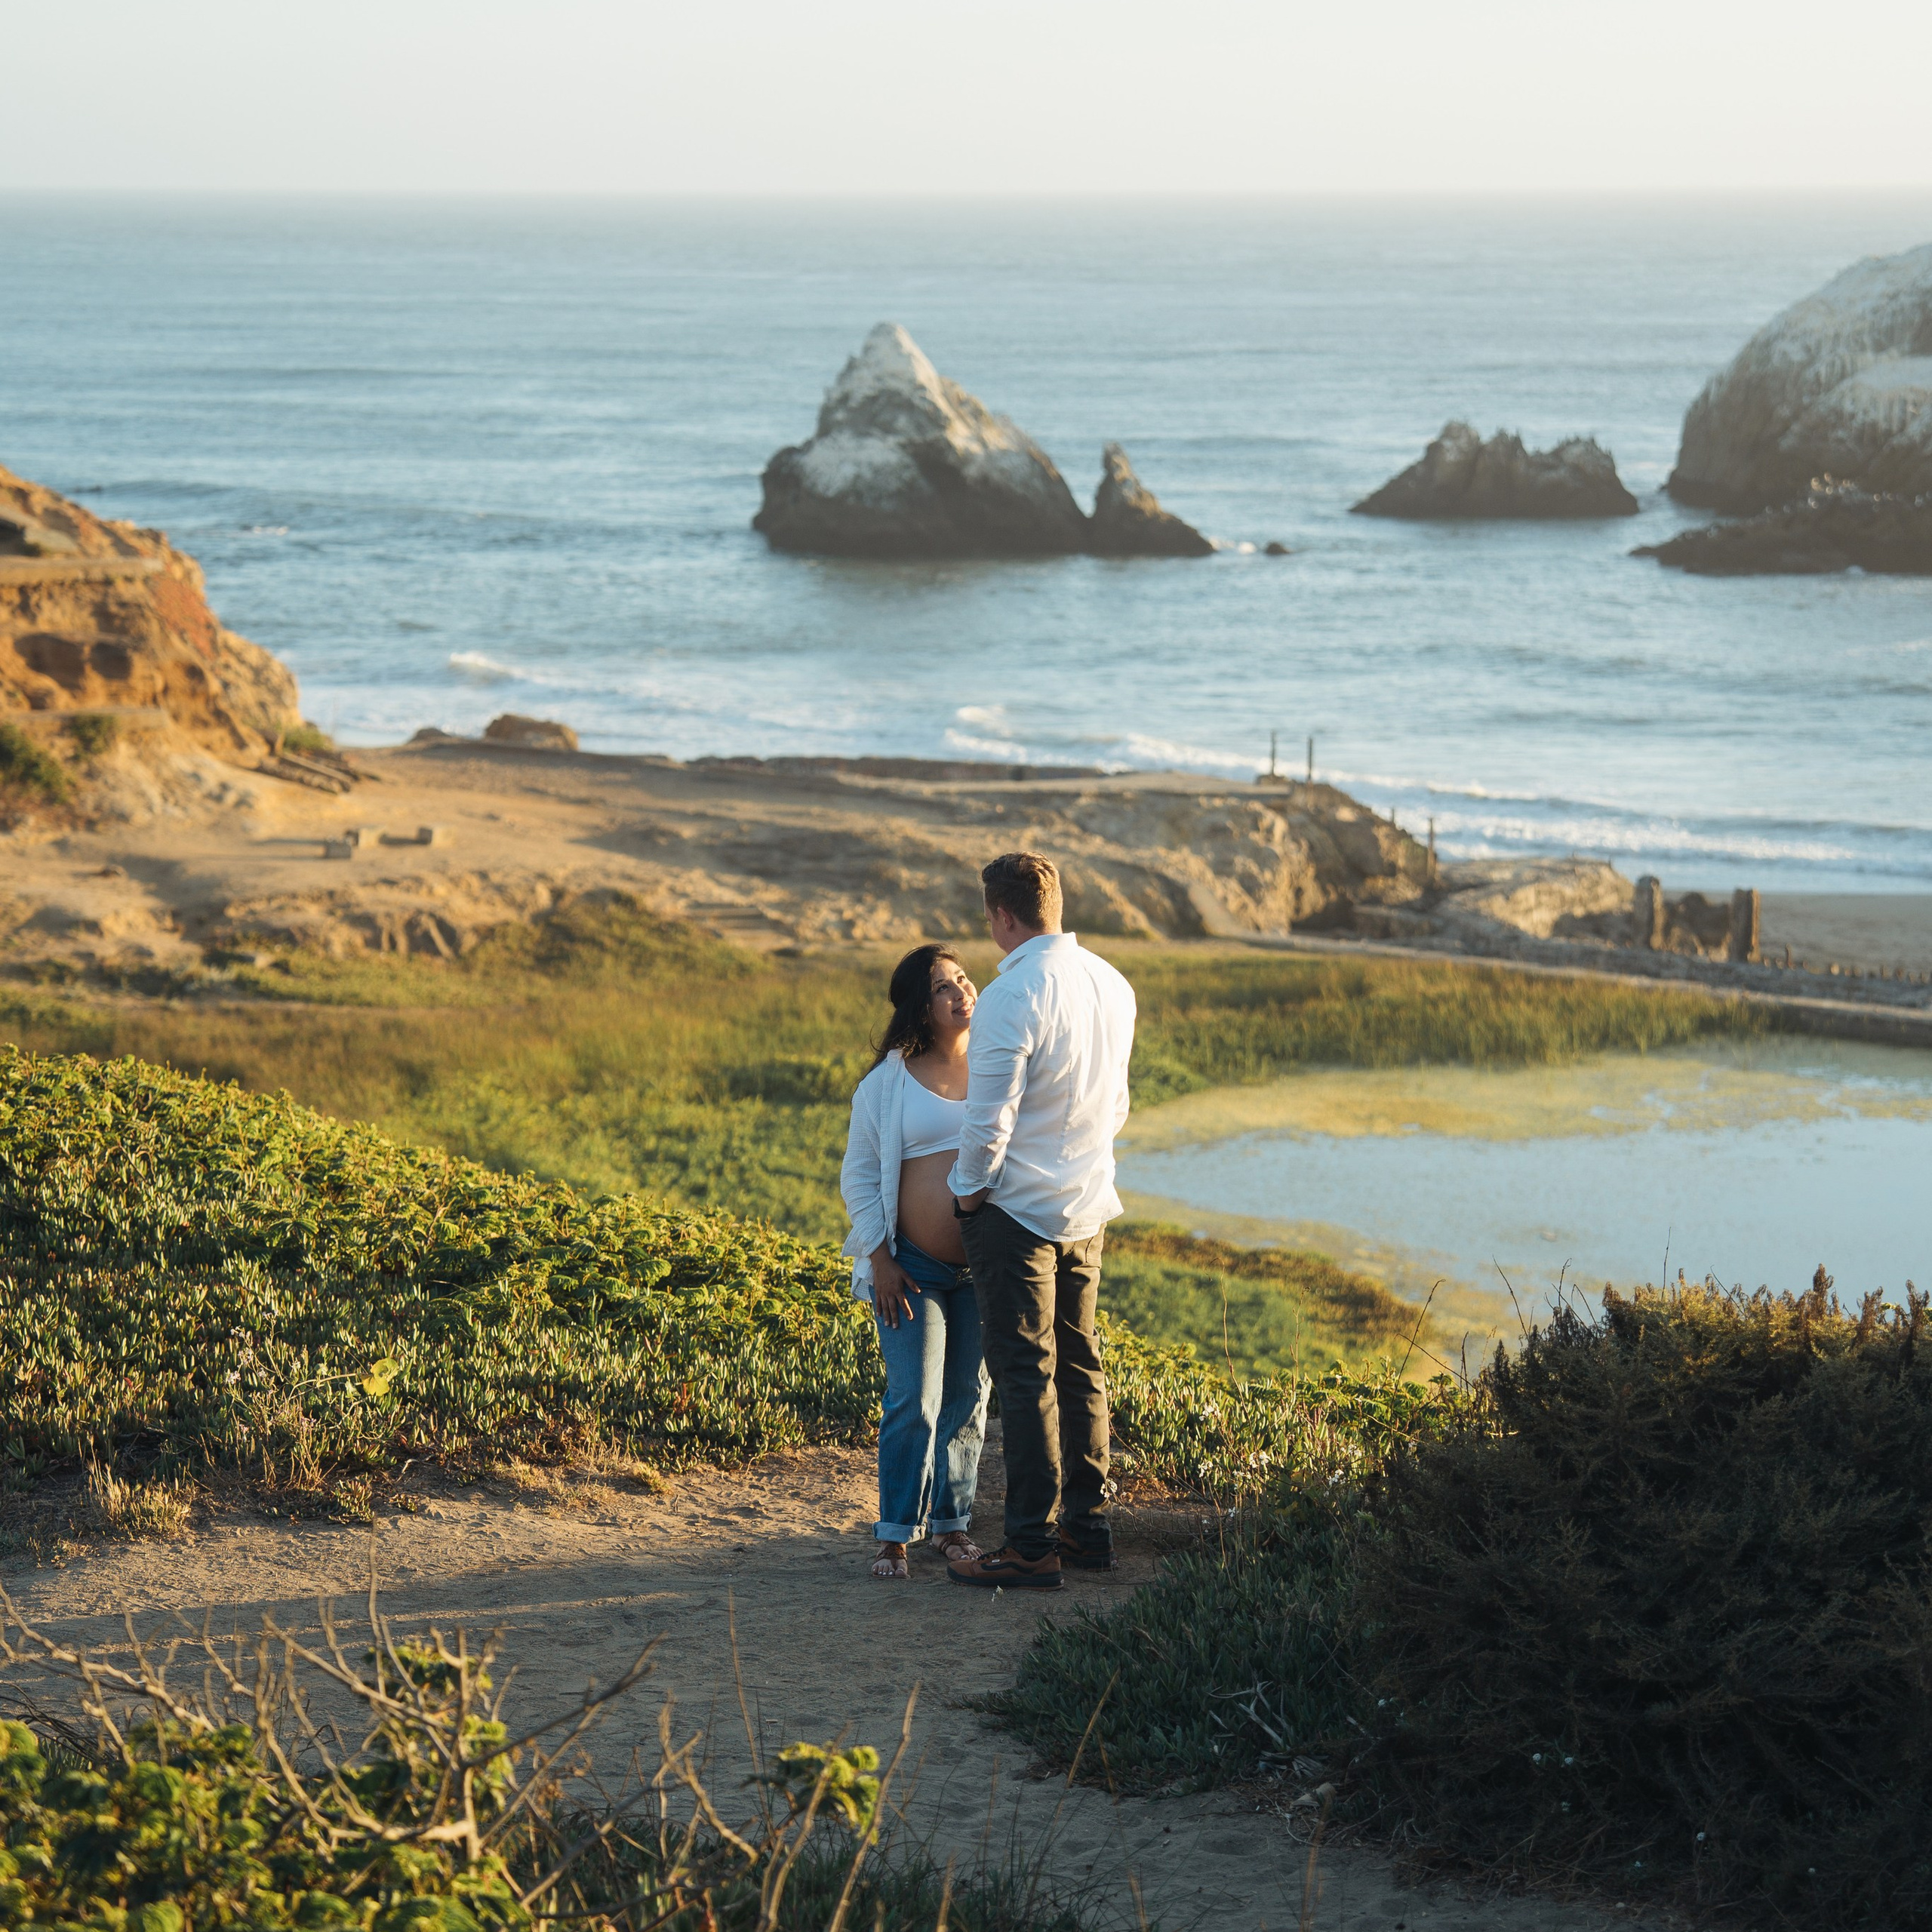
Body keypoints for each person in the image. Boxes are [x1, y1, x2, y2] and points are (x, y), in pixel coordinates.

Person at [945, 851, 1137, 1591]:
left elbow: (987, 1125)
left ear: (1000, 915)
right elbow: (1116, 1105)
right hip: (1087, 1202)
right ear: (1054, 903)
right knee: (1080, 1360)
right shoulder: (1111, 984)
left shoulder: (1011, 993)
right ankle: (1086, 1528)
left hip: (1017, 1209)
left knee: (1024, 1376)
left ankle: (1028, 1544)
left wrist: (966, 1196)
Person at [839, 943, 992, 1580]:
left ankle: (952, 1526)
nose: (961, 992)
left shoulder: (998, 1065)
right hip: (912, 1268)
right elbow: (861, 1174)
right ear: (919, 1008)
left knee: (968, 1395)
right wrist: (880, 1260)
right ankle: (895, 1532)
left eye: (962, 978)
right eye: (941, 987)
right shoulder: (887, 1083)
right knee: (914, 1398)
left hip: (986, 1267)